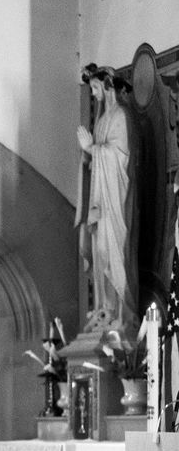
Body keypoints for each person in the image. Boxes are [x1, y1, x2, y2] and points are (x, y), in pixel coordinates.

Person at [76, 64, 139, 331]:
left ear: (107, 86)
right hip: (100, 202)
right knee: (100, 255)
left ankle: (121, 313)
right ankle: (105, 308)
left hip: (115, 203)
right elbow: (97, 155)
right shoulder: (102, 119)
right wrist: (88, 154)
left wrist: (93, 149)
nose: (93, 94)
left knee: (110, 251)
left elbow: (120, 157)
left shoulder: (121, 117)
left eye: (95, 88)